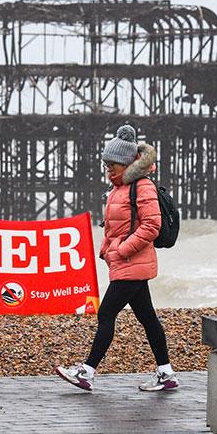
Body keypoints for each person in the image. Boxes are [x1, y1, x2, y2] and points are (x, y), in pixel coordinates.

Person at [55, 124, 178, 392]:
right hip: (126, 263)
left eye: (113, 164)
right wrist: (106, 249)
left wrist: (121, 250)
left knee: (106, 312)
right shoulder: (119, 188)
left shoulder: (142, 186)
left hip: (133, 262)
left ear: (126, 164)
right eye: (106, 164)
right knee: (148, 318)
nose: (108, 168)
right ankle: (166, 374)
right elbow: (115, 226)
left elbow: (151, 226)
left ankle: (86, 372)